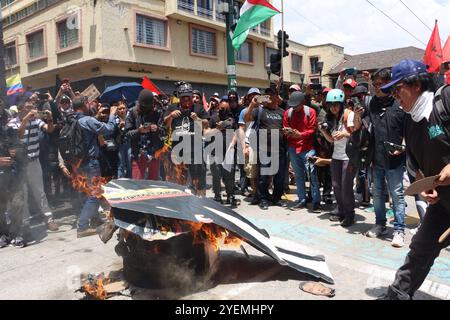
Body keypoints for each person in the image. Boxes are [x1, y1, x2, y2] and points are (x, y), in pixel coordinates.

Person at [379, 60, 450, 300]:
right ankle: (397, 295)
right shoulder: (410, 121)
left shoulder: (446, 101)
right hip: (443, 204)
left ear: (416, 84)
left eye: (398, 89)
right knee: (420, 249)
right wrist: (424, 187)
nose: (395, 96)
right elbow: (415, 162)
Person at [355, 68, 407, 247]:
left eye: (380, 84)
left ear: (389, 83)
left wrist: (404, 146)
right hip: (376, 159)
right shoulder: (371, 104)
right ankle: (380, 225)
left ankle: (399, 230)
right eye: (374, 84)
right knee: (377, 195)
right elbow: (361, 127)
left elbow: (409, 129)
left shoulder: (400, 103)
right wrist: (357, 116)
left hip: (395, 160)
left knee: (397, 194)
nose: (376, 87)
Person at [8, 95, 59, 232]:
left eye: (32, 106)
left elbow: (49, 130)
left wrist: (49, 119)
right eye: (28, 106)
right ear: (20, 108)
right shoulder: (12, 123)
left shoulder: (37, 121)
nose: (32, 109)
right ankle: (25, 223)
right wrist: (25, 120)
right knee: (22, 193)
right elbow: (17, 136)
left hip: (34, 162)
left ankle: (48, 219)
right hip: (19, 164)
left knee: (39, 192)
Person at [71, 98, 118, 238]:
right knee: (95, 194)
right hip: (91, 163)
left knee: (90, 193)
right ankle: (83, 226)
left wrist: (96, 117)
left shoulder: (72, 119)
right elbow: (109, 129)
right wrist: (112, 115)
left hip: (79, 163)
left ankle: (97, 219)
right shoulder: (87, 120)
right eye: (88, 103)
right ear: (84, 105)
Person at [244, 88, 287, 210]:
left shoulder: (282, 112)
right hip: (264, 149)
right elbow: (247, 119)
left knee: (279, 176)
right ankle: (263, 198)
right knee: (264, 176)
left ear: (276, 97)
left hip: (280, 149)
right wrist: (252, 104)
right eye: (266, 96)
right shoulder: (260, 110)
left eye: (271, 95)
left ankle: (276, 198)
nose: (268, 98)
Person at [164, 82, 209, 197]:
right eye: (183, 98)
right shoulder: (172, 107)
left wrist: (197, 119)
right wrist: (170, 116)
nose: (186, 100)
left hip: (195, 150)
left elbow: (206, 124)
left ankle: (201, 199)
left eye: (188, 98)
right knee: (179, 179)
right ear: (179, 97)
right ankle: (180, 201)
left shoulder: (198, 108)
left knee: (199, 178)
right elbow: (165, 125)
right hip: (178, 150)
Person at [319, 89, 356, 227]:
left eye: (336, 104)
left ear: (341, 104)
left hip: (348, 156)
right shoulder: (331, 119)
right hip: (336, 156)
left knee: (346, 187)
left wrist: (345, 134)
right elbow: (331, 140)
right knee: (336, 186)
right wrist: (323, 131)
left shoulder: (349, 115)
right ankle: (341, 209)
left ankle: (349, 214)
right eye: (331, 104)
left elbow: (357, 135)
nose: (333, 107)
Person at [283, 91, 321, 212]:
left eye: (296, 105)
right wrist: (288, 132)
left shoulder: (310, 112)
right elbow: (285, 128)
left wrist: (300, 135)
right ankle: (302, 200)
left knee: (312, 175)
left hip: (308, 148)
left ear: (303, 102)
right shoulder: (287, 113)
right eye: (292, 105)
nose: (294, 108)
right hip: (293, 148)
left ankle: (316, 202)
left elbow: (312, 129)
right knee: (298, 175)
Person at [0, 99, 28, 248]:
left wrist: (17, 152)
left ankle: (17, 234)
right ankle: (3, 235)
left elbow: (21, 145)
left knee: (17, 204)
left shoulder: (10, 122)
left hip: (14, 174)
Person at [125, 90, 164, 180]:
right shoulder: (132, 112)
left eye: (148, 107)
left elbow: (164, 131)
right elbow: (127, 134)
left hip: (154, 153)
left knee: (153, 183)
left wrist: (157, 129)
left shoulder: (158, 112)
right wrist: (139, 130)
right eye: (143, 107)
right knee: (137, 183)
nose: (146, 109)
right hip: (138, 153)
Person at [209, 97, 237, 206]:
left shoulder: (231, 119)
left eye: (226, 109)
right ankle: (217, 196)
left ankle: (230, 195)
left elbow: (236, 133)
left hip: (228, 152)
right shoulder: (213, 118)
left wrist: (233, 143)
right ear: (218, 107)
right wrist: (217, 129)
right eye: (221, 108)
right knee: (216, 175)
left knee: (229, 176)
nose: (223, 110)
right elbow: (206, 132)